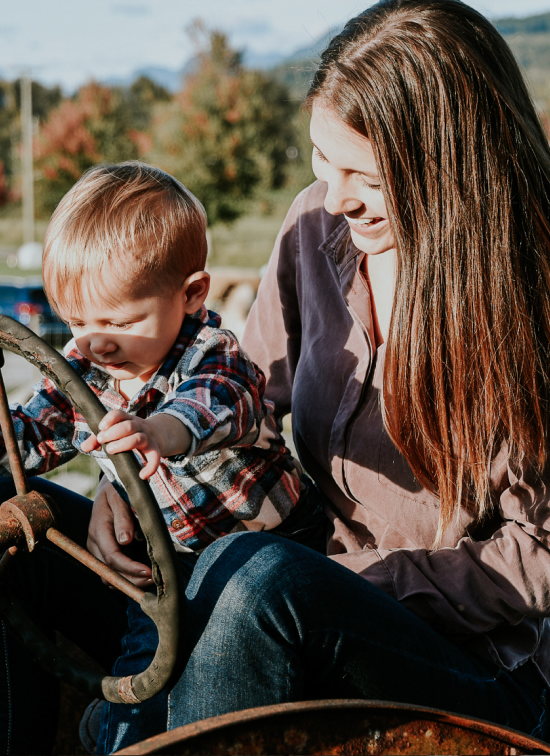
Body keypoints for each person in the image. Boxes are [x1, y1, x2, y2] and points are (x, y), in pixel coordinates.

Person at [158, 0, 550, 741]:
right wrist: (145, 469)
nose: (333, 196)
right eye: (321, 158)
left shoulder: (531, 301)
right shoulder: (317, 227)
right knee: (6, 519)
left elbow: (539, 558)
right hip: (313, 582)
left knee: (256, 580)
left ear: (448, 165)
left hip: (481, 668)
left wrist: (358, 585)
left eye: (361, 173)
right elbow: (240, 389)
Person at [0, 162, 325, 754]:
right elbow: (27, 438)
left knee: (147, 691)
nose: (96, 340)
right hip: (161, 567)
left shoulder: (214, 355)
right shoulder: (90, 366)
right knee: (139, 667)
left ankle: (115, 731)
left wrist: (155, 431)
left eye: (121, 321)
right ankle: (108, 729)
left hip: (263, 561)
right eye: (79, 321)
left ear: (191, 295)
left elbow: (216, 408)